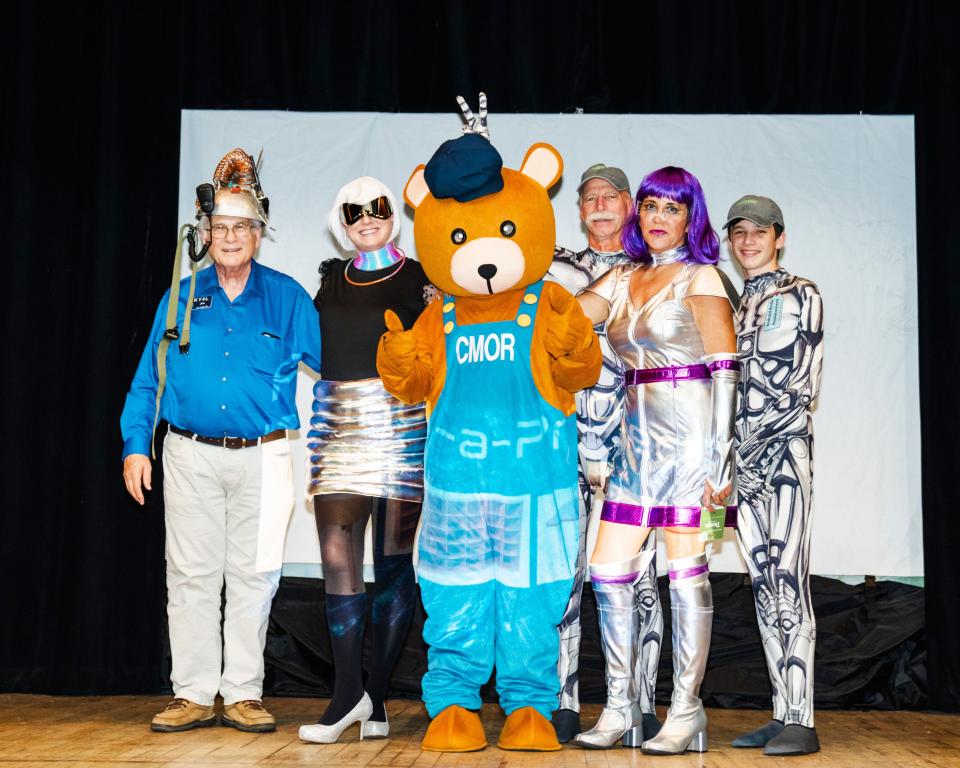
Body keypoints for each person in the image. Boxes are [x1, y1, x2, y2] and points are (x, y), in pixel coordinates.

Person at [120, 148, 321, 733]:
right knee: (190, 575)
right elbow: (146, 380)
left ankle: (243, 693)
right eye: (219, 227)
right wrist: (138, 444)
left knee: (256, 575)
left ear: (258, 234)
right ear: (204, 233)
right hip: (187, 454)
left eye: (242, 227)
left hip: (267, 456)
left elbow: (337, 368)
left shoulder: (287, 298)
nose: (230, 237)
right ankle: (192, 693)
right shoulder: (181, 296)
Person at [572, 166, 739, 754]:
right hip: (636, 442)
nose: (659, 218)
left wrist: (721, 463)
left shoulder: (703, 277)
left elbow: (725, 371)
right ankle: (621, 706)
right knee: (607, 570)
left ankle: (686, 709)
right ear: (636, 214)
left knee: (684, 574)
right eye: (650, 207)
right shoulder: (621, 277)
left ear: (691, 217)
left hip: (694, 444)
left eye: (673, 208)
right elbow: (563, 321)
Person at [298, 177, 431, 744]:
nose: (366, 218)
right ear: (341, 220)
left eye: (377, 206)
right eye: (353, 211)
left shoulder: (423, 277)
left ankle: (376, 698)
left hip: (401, 431)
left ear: (391, 213)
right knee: (337, 554)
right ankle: (346, 694)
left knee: (394, 566)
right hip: (337, 429)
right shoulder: (330, 278)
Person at [546, 163, 663, 744]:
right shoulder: (554, 268)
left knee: (638, 575)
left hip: (638, 445)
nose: (598, 205)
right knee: (564, 573)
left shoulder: (654, 271)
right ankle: (562, 699)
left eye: (610, 197)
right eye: (588, 197)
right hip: (562, 441)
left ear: (628, 205)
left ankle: (640, 702)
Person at [724, 195, 823, 756]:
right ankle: (783, 711)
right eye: (739, 232)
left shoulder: (800, 294)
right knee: (763, 587)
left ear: (779, 237)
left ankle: (803, 720)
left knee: (789, 583)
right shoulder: (739, 304)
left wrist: (756, 460)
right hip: (747, 468)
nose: (748, 240)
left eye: (759, 231)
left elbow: (798, 390)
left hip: (782, 459)